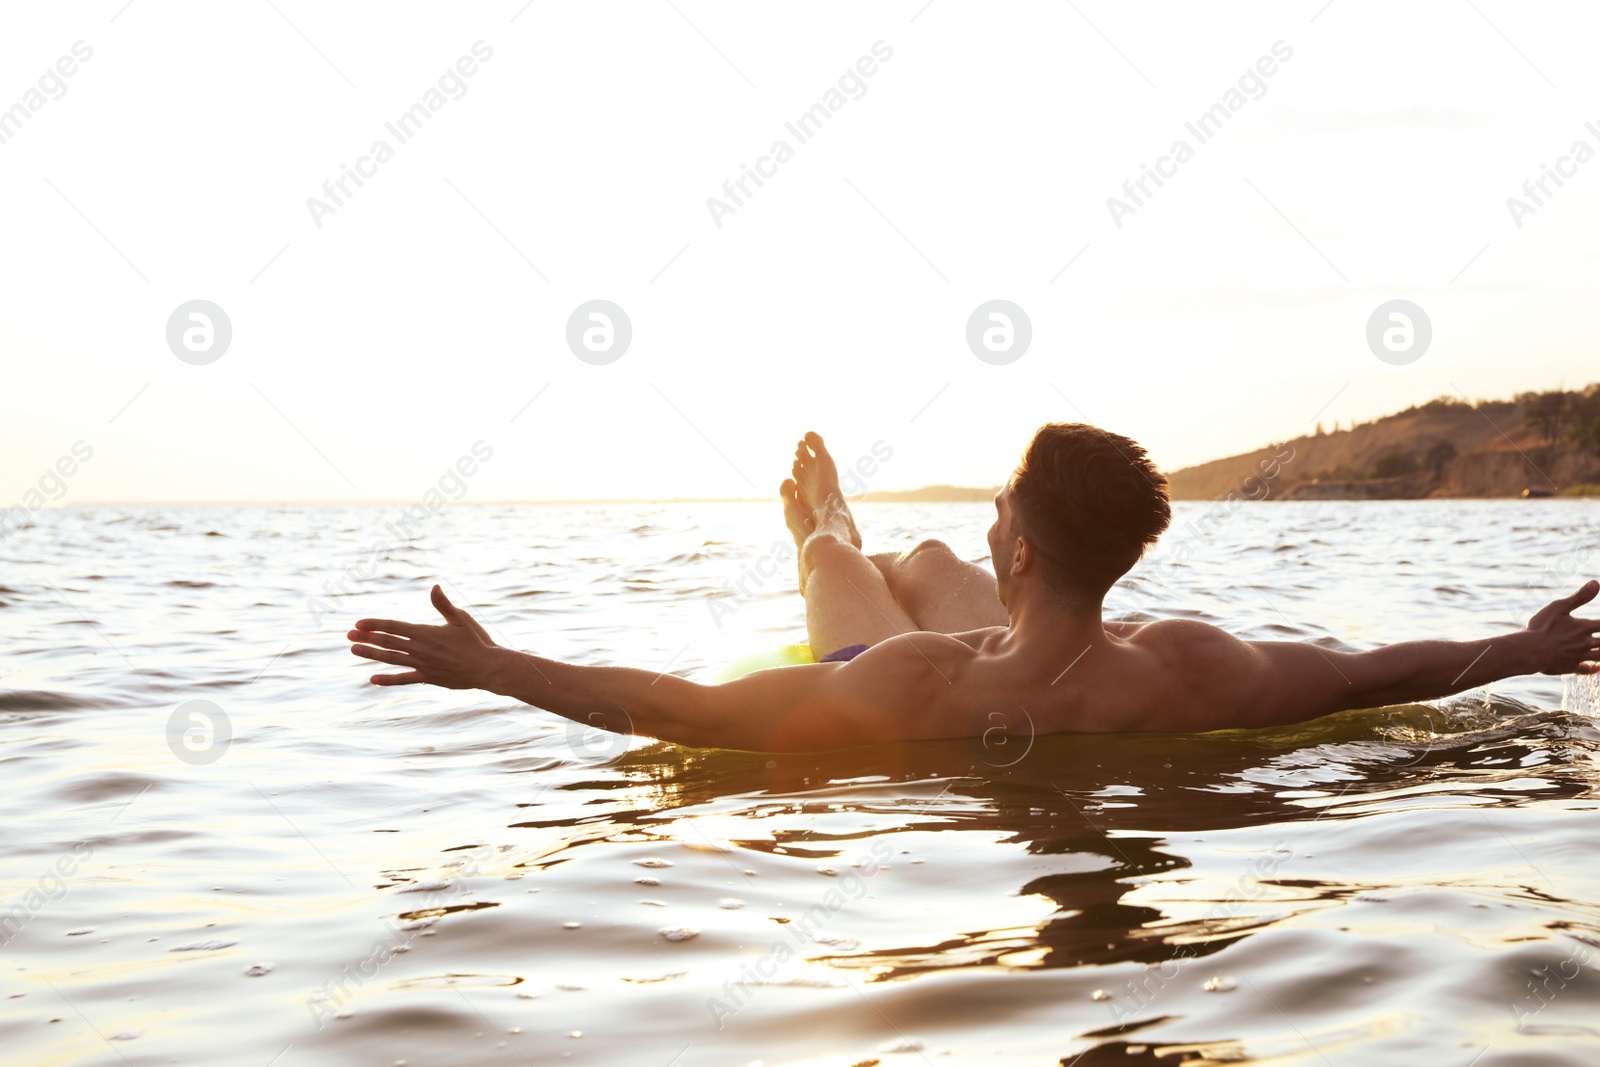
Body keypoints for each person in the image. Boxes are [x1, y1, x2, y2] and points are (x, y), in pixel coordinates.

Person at [347, 425, 1600, 751]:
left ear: (1029, 547)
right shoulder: (1191, 665)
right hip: (1059, 637)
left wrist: (497, 664)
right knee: (929, 564)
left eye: (1000, 500)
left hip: (904, 663)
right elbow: (1377, 673)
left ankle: (829, 533)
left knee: (851, 571)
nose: (990, 514)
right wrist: (1525, 646)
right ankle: (881, 544)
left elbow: (691, 714)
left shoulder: (913, 685)